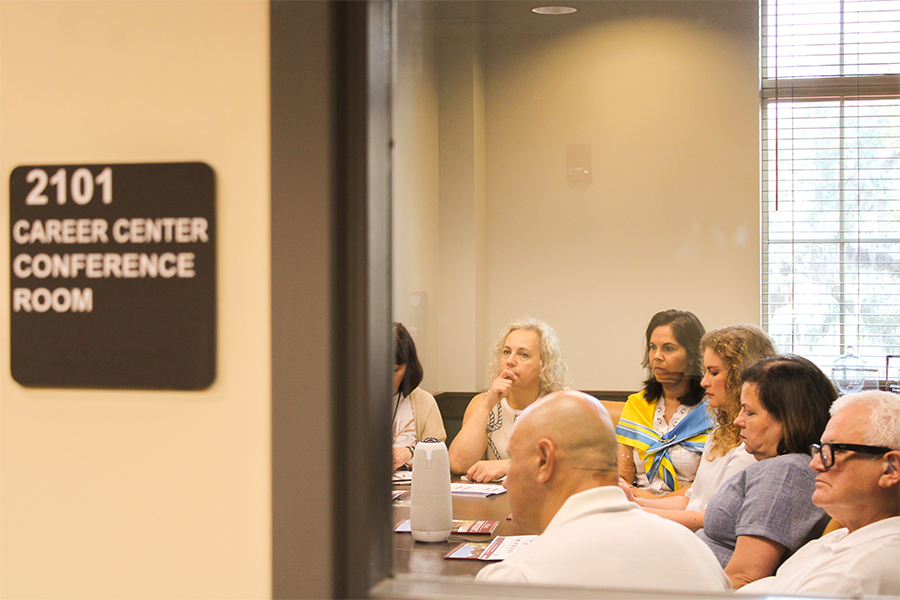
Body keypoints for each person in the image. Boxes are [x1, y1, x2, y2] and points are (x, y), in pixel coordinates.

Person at [475, 390, 730, 591]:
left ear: (544, 460)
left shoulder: (516, 580)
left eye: (514, 459)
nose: (506, 482)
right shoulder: (697, 556)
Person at [738, 390, 900, 597]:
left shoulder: (854, 573)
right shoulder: (842, 538)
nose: (815, 464)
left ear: (890, 469)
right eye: (821, 449)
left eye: (836, 450)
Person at [696, 354, 835, 589]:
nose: (739, 420)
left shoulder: (786, 474)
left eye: (750, 412)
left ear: (789, 419)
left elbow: (745, 578)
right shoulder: (780, 466)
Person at [622, 325, 777, 530]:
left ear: (741, 377)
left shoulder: (753, 445)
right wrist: (634, 502)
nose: (704, 382)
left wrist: (638, 512)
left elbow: (713, 519)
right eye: (704, 372)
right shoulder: (719, 435)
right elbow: (692, 499)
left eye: (713, 372)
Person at [448, 318, 570, 483]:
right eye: (506, 352)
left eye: (523, 354)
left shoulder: (562, 404)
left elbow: (570, 464)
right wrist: (487, 405)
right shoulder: (482, 402)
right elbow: (458, 464)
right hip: (491, 501)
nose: (510, 361)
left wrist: (509, 465)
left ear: (544, 365)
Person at [616, 309, 712, 498]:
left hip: (687, 511)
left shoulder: (711, 411)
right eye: (653, 347)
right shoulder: (636, 405)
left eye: (668, 348)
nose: (656, 356)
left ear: (693, 356)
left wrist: (655, 505)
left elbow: (704, 486)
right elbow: (621, 478)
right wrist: (644, 501)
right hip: (636, 507)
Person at [392, 323, 445, 470]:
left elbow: (438, 454)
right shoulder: (351, 401)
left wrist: (411, 452)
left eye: (394, 370)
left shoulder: (423, 402)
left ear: (408, 368)